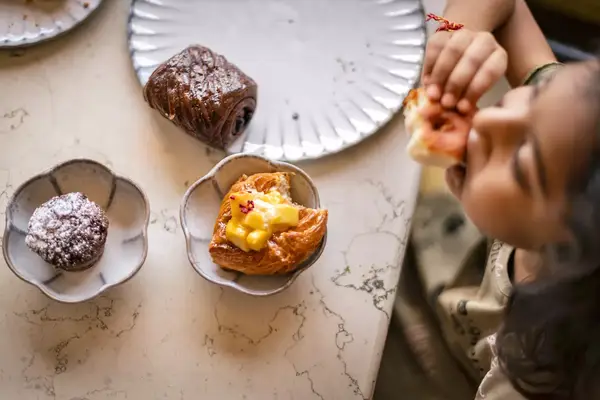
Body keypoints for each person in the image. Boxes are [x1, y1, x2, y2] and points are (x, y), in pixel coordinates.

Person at [376, 0, 600, 399]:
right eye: (533, 98)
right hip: (430, 247)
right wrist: (456, 35)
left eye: (518, 163)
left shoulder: (537, 378)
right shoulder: (574, 128)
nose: (489, 118)